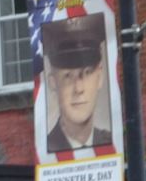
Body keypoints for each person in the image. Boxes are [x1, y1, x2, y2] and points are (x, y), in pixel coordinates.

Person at [39, 12, 112, 153]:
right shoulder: (46, 149)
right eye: (68, 76)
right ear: (53, 82)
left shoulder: (110, 141)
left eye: (87, 72)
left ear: (100, 76)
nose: (78, 89)